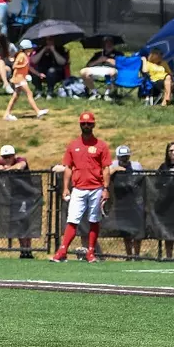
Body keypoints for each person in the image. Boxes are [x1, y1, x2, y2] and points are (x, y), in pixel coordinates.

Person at [51, 111, 110, 263]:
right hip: (78, 188)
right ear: (80, 124)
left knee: (94, 220)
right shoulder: (73, 145)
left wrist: (105, 188)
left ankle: (91, 252)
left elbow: (106, 169)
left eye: (89, 123)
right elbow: (68, 167)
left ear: (93, 125)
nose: (86, 126)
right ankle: (62, 251)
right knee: (72, 219)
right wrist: (66, 187)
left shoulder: (101, 145)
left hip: (96, 187)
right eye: (83, 123)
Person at [106, 144, 145, 259]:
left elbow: (142, 180)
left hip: (135, 201)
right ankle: (128, 255)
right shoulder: (113, 165)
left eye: (126, 157)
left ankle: (137, 255)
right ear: (118, 158)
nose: (124, 160)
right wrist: (115, 170)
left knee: (137, 230)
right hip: (121, 202)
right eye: (122, 157)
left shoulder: (136, 166)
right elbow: (105, 175)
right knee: (125, 230)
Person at [2, 39, 48, 121]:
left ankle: (7, 114)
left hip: (20, 78)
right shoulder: (22, 55)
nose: (32, 49)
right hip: (19, 78)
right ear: (26, 48)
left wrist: (38, 74)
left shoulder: (25, 56)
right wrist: (23, 65)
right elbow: (14, 66)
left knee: (15, 97)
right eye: (30, 48)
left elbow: (29, 68)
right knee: (29, 93)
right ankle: (38, 111)